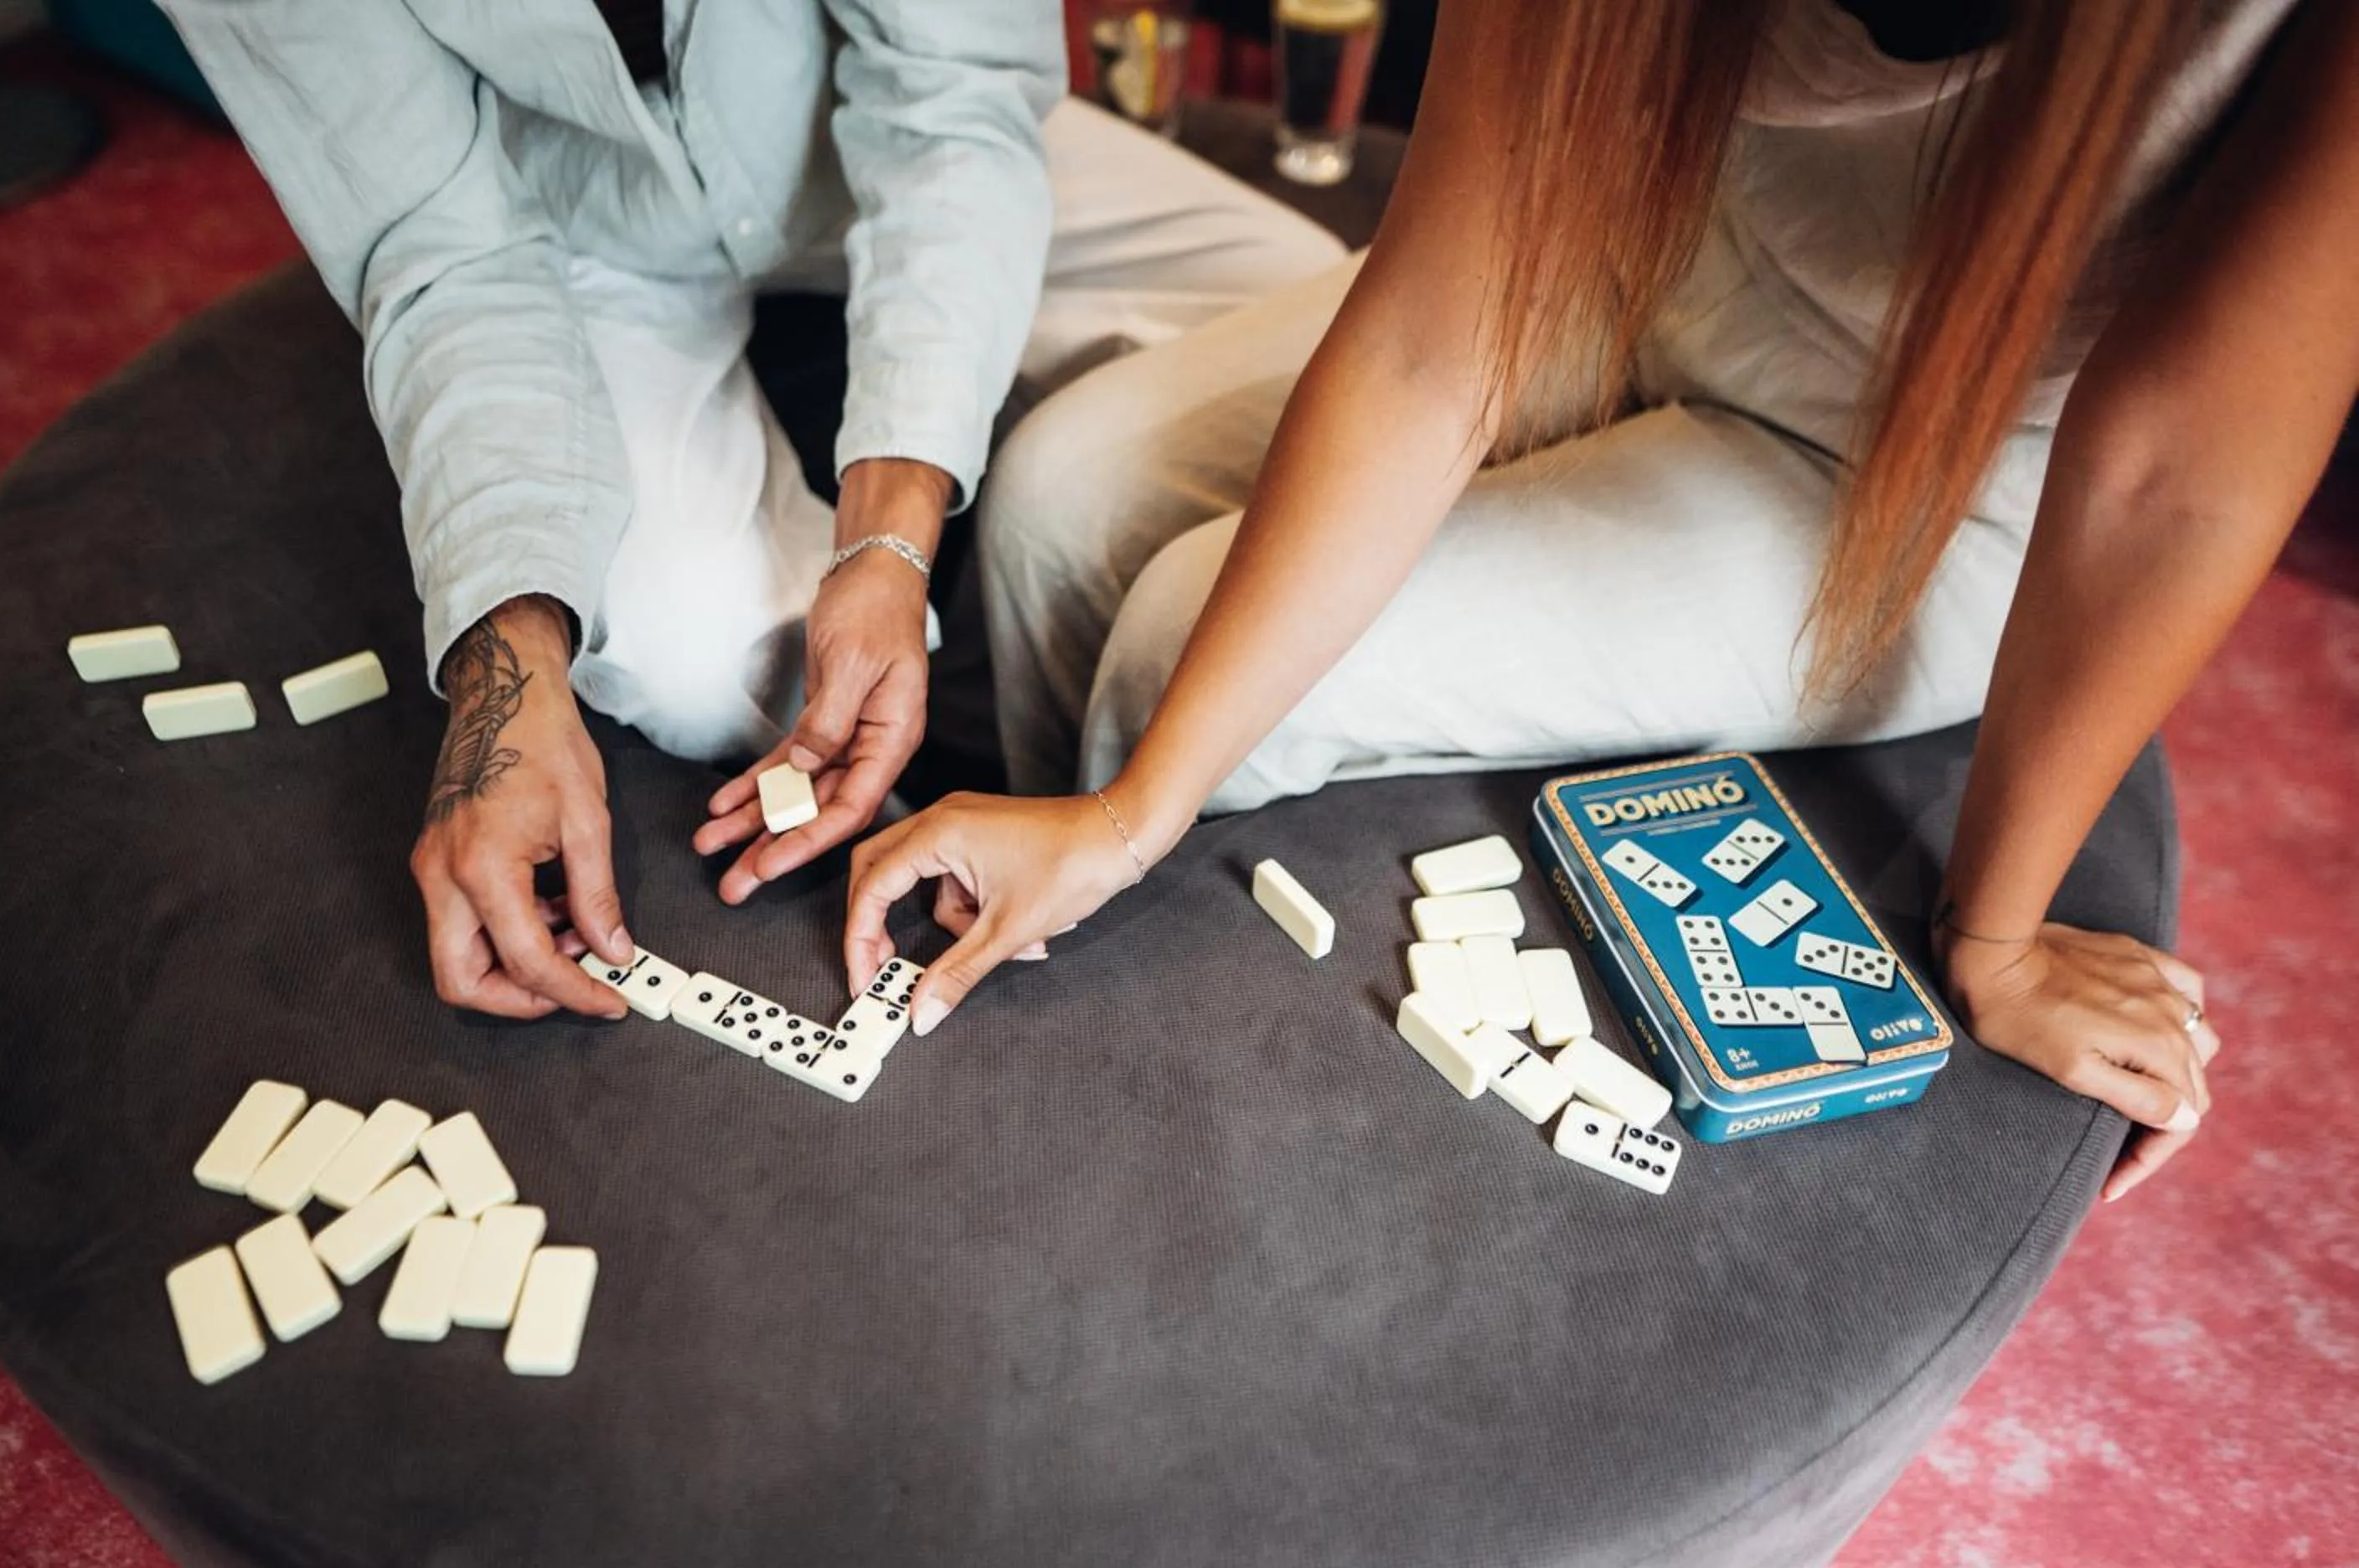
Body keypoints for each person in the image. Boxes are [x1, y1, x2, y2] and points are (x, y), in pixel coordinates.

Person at [845, 0, 2359, 1202]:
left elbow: (2169, 471)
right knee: (1052, 499)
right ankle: (1008, 980)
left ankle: (1105, 1116)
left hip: (1924, 472)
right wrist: (1110, 821)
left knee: (1186, 633)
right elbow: (1435, 338)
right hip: (1643, 233)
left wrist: (2004, 939)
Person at [157, 0, 1345, 1022]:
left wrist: (891, 536)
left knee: (1333, 337)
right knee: (710, 669)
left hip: (881, 129)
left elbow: (952, 101)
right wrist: (501, 674)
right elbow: (439, 255)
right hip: (572, 231)